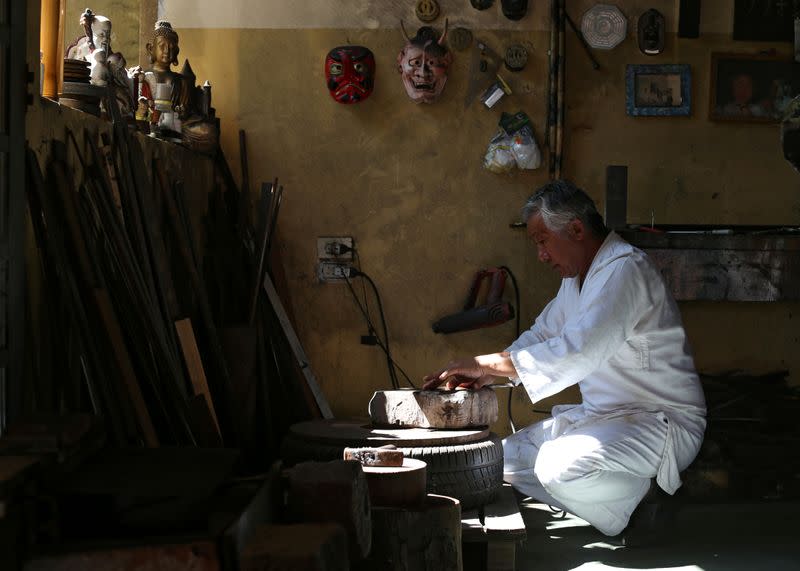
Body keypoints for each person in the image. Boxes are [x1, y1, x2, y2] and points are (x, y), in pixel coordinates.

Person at [423, 180, 706, 537]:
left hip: (660, 421)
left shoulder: (625, 270)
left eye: (542, 241)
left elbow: (580, 350)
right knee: (497, 461)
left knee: (557, 469)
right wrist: (491, 373)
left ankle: (644, 499)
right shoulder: (576, 281)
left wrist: (486, 364)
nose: (541, 255)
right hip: (604, 418)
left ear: (575, 229)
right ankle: (619, 498)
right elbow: (543, 335)